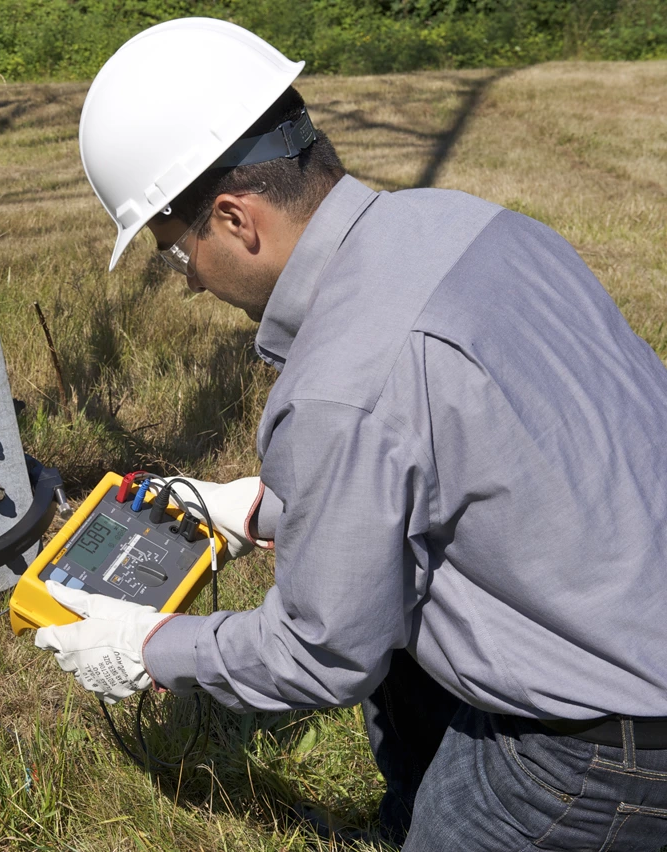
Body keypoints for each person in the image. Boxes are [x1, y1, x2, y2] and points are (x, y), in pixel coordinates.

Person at [33, 17, 667, 851]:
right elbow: (474, 454)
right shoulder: (471, 225)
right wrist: (260, 508)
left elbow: (320, 653)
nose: (187, 285)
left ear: (235, 218)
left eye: (175, 255)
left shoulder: (341, 384)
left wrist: (152, 648)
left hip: (607, 748)